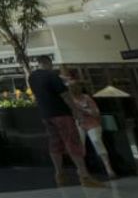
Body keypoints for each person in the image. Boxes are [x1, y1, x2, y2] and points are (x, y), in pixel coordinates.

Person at [28, 55, 104, 188]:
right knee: (72, 142)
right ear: (49, 63)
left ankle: (59, 175)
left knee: (55, 144)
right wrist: (76, 111)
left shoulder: (32, 77)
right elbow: (66, 96)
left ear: (38, 63)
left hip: (46, 115)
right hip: (61, 114)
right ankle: (84, 176)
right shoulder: (52, 75)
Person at [70, 82, 117, 178]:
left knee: (96, 141)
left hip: (92, 123)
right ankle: (82, 169)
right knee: (79, 145)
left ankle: (108, 167)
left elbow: (96, 113)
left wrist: (83, 110)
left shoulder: (86, 98)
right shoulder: (70, 101)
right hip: (79, 124)